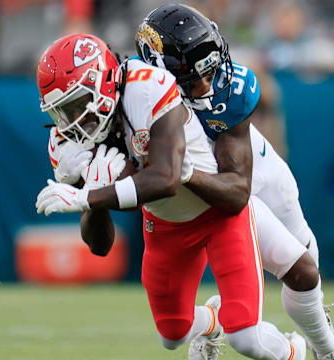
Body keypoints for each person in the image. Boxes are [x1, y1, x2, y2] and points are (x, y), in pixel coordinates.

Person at [35, 33, 306, 360]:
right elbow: (100, 245)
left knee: (248, 340)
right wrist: (93, 201)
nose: (71, 122)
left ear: (102, 83)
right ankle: (213, 321)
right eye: (61, 111)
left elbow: (167, 177)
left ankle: (295, 350)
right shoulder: (70, 145)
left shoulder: (147, 87)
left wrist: (90, 198)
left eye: (76, 105)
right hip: (165, 223)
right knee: (172, 335)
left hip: (217, 211)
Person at [134, 3, 334, 360]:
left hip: (255, 177)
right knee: (298, 269)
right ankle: (310, 348)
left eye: (209, 70)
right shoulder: (137, 98)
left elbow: (236, 185)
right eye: (194, 76)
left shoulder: (232, 90)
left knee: (307, 272)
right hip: (218, 200)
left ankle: (324, 345)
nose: (209, 83)